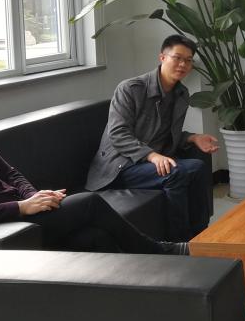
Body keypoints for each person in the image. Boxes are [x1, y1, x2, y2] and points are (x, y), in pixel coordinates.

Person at [0, 75, 188, 255]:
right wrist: (21, 207)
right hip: (1, 225)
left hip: (23, 211)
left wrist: (34, 197)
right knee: (90, 202)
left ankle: (136, 291)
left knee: (95, 236)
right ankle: (161, 252)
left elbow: (10, 173)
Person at [86, 35, 220, 241]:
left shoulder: (181, 94)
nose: (183, 64)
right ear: (162, 57)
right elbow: (118, 134)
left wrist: (193, 138)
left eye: (188, 60)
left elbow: (167, 134)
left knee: (198, 166)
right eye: (177, 58)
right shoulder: (130, 89)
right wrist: (152, 156)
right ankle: (180, 242)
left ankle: (201, 235)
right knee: (177, 173)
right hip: (119, 166)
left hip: (149, 163)